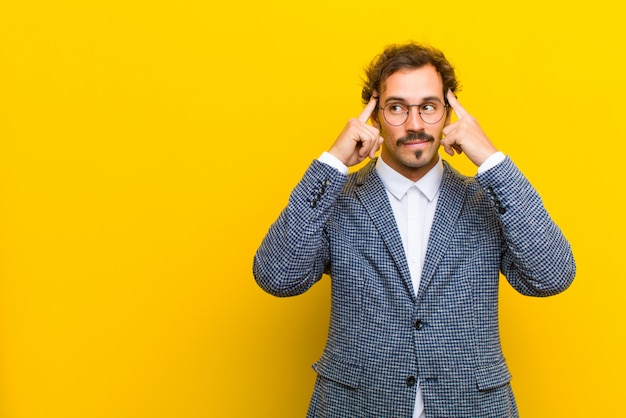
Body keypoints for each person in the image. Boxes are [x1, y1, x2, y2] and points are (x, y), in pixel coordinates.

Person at [253, 42, 575, 418]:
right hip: (356, 407)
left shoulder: (486, 198)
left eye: (428, 106)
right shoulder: (336, 198)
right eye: (396, 108)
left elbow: (552, 276)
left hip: (473, 408)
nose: (415, 124)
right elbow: (276, 277)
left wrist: (492, 160)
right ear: (374, 118)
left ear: (448, 114)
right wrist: (332, 162)